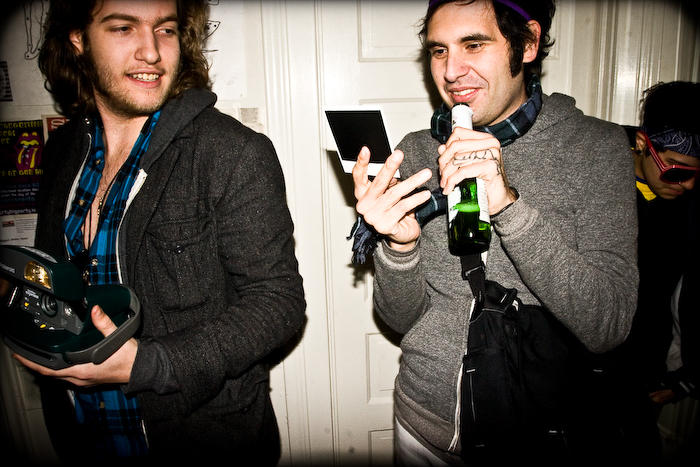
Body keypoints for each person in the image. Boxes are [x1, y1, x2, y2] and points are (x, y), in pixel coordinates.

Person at [8, 0, 305, 464]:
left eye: (165, 30)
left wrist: (148, 365)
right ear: (78, 39)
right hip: (84, 435)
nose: (151, 51)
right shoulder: (63, 148)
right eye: (123, 28)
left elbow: (278, 304)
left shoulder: (230, 152)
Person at [351, 0, 638, 465]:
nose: (451, 72)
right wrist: (400, 247)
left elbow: (608, 325)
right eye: (439, 51)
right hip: (423, 426)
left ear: (528, 42)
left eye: (474, 45)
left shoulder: (596, 148)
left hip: (535, 433)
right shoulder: (416, 152)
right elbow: (401, 320)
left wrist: (508, 206)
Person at [615, 81, 700, 456]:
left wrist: (688, 376)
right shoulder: (594, 176)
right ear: (641, 144)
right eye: (677, 172)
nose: (689, 184)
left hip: (646, 372)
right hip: (575, 369)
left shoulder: (692, 207)